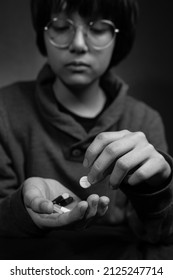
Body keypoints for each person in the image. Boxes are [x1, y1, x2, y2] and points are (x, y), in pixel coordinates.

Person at [0, 0, 173, 259]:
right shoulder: (4, 109)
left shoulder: (145, 120)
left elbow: (159, 235)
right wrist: (21, 207)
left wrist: (157, 190)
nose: (79, 44)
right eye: (60, 26)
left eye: (99, 28)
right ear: (43, 33)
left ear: (118, 38)